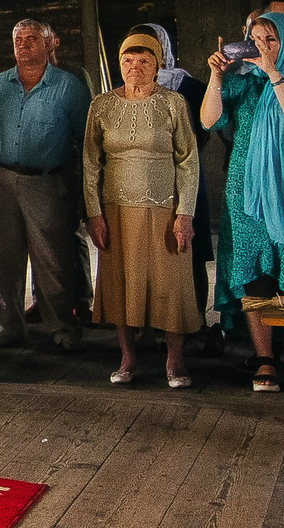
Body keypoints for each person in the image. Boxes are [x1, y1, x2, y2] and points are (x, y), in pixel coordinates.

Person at [199, 11, 284, 395]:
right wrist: (216, 77)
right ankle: (264, 356)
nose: (260, 46)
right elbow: (210, 121)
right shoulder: (241, 83)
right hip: (245, 187)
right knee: (251, 271)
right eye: (254, 38)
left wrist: (275, 72)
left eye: (270, 40)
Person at [0, 19, 92, 352]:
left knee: (52, 257)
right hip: (2, 178)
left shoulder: (68, 87)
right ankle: (10, 325)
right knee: (3, 256)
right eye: (18, 38)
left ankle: (61, 326)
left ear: (50, 43)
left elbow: (87, 141)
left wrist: (83, 193)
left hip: (47, 182)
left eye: (33, 38)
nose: (24, 43)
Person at [82, 33, 201, 386]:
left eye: (144, 61)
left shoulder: (173, 103)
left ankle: (175, 361)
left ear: (158, 65)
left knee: (171, 284)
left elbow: (189, 161)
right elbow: (90, 162)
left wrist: (185, 214)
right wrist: (94, 213)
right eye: (128, 61)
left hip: (165, 209)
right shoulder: (101, 105)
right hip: (116, 210)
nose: (135, 68)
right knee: (121, 284)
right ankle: (128, 357)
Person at [142, 23, 215, 318]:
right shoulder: (124, 89)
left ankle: (194, 319)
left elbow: (205, 130)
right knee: (148, 253)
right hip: (142, 181)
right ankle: (153, 323)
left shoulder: (192, 88)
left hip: (186, 178)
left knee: (191, 253)